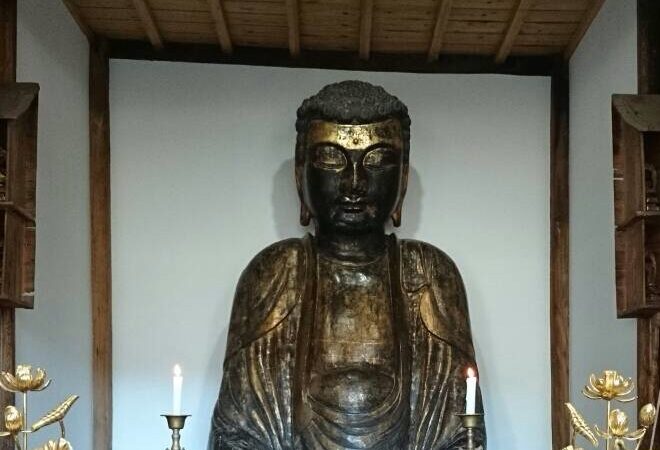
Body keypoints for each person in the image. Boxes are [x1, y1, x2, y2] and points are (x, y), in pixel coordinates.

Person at [209, 80, 486, 449]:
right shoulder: (274, 274)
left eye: (377, 160)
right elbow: (236, 434)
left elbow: (463, 434)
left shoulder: (429, 276)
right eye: (331, 158)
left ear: (403, 178)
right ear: (300, 174)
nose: (354, 183)